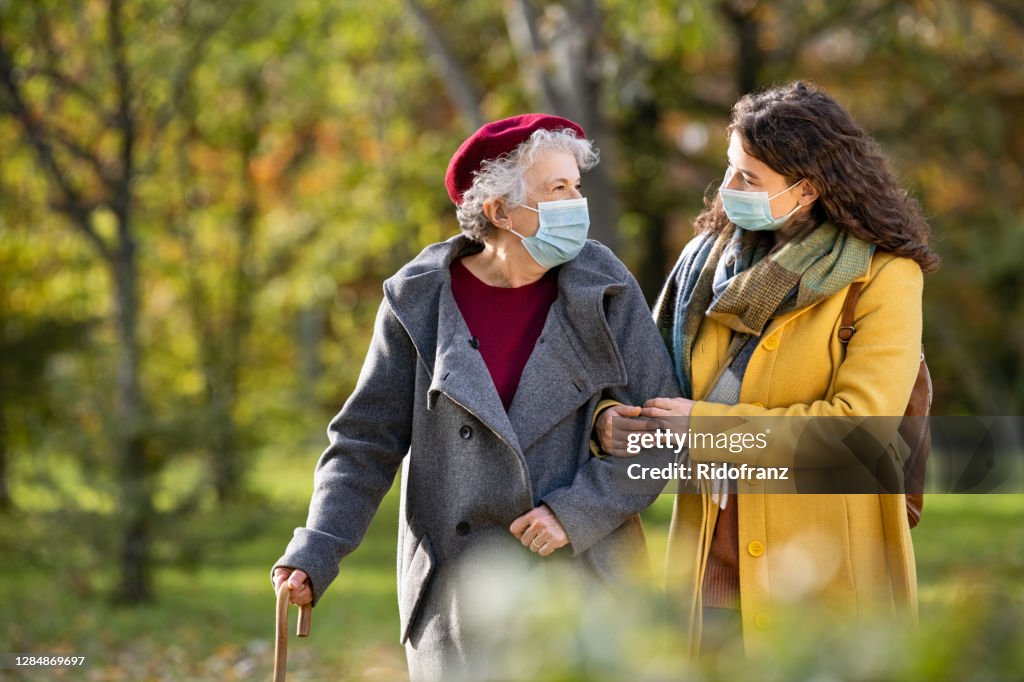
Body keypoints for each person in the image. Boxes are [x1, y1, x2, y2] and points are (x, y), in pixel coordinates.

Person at [271, 114, 679, 681]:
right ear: (499, 210)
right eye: (556, 189)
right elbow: (365, 442)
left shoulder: (606, 288)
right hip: (457, 597)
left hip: (587, 585)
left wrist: (577, 511)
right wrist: (316, 549)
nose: (575, 203)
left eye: (576, 187)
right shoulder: (417, 301)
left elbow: (663, 433)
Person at [596, 81, 939, 656]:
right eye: (730, 169)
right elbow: (641, 380)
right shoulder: (706, 268)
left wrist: (707, 430)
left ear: (806, 190)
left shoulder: (885, 277)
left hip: (824, 571)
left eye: (748, 178)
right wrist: (611, 420)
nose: (727, 190)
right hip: (708, 564)